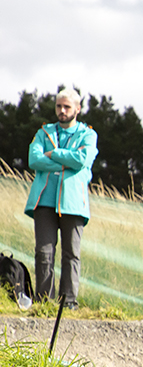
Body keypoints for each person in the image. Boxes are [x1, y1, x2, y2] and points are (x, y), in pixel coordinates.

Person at [24, 88, 98, 309]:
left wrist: (53, 154)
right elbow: (34, 159)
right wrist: (68, 161)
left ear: (78, 108)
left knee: (71, 254)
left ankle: (68, 302)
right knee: (43, 252)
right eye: (59, 106)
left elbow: (83, 159)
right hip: (44, 201)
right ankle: (44, 302)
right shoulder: (43, 132)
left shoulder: (88, 134)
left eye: (67, 106)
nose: (62, 110)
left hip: (73, 203)